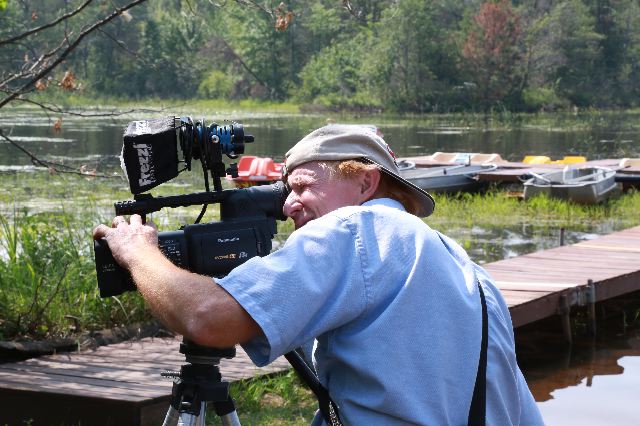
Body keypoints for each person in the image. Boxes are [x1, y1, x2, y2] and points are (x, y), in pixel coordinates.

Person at [93, 124, 544, 425]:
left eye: (303, 186)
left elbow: (207, 318)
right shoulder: (471, 274)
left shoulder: (355, 229)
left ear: (365, 183)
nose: (288, 205)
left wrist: (138, 252)